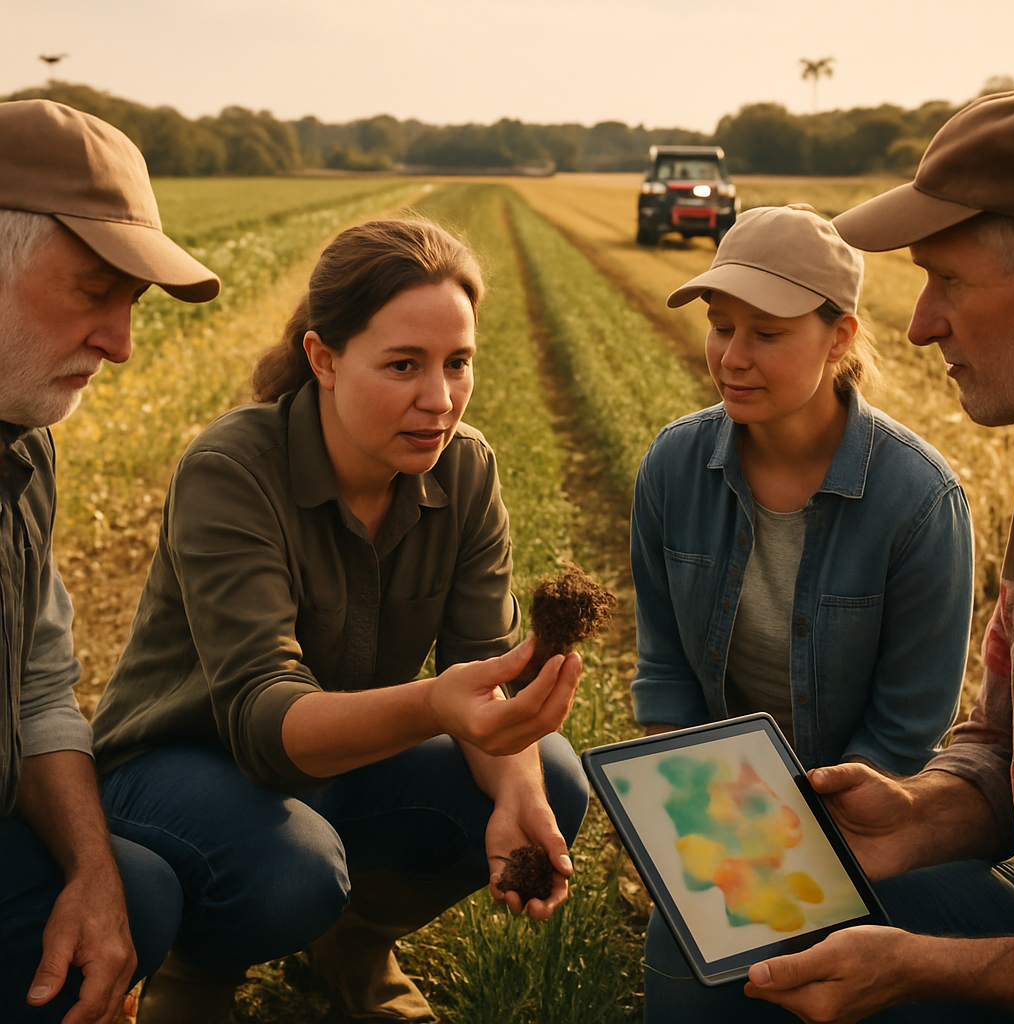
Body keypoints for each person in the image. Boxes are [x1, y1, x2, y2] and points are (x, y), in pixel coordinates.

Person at [90, 217, 590, 1024]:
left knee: (552, 778)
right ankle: (196, 971)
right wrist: (435, 704)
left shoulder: (464, 470)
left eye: (458, 362)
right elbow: (263, 724)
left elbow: (481, 667)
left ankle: (354, 944)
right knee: (291, 870)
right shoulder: (233, 470)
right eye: (403, 365)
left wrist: (519, 793)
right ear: (323, 359)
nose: (440, 400)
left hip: (341, 755)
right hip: (179, 765)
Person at [630, 204, 974, 1022]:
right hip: (725, 808)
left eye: (767, 333)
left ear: (840, 337)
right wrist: (683, 817)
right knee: (684, 974)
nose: (732, 356)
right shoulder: (674, 466)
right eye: (721, 326)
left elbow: (905, 730)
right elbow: (666, 668)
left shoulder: (920, 502)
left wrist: (799, 854)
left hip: (868, 818)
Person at [724, 89, 1014, 1023]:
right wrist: (919, 816)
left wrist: (928, 969)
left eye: (949, 280)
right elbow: (1000, 745)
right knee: (745, 932)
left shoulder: (916, 495)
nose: (921, 324)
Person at [0, 99, 221, 1023]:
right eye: (94, 291)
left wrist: (90, 873)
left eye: (131, 304)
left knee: (134, 892)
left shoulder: (24, 448)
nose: (121, 345)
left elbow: (37, 689)